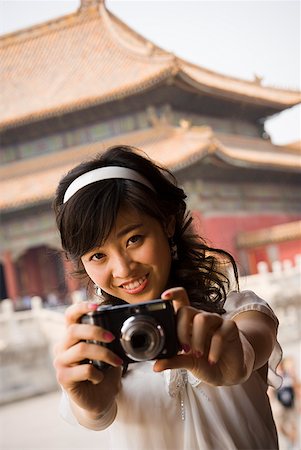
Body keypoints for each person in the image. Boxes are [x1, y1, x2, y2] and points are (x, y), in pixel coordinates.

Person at [53, 145, 282, 450]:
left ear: (167, 223)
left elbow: (251, 342)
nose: (122, 268)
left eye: (134, 239)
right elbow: (93, 414)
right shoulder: (99, 347)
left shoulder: (238, 313)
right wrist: (91, 405)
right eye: (97, 255)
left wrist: (236, 360)